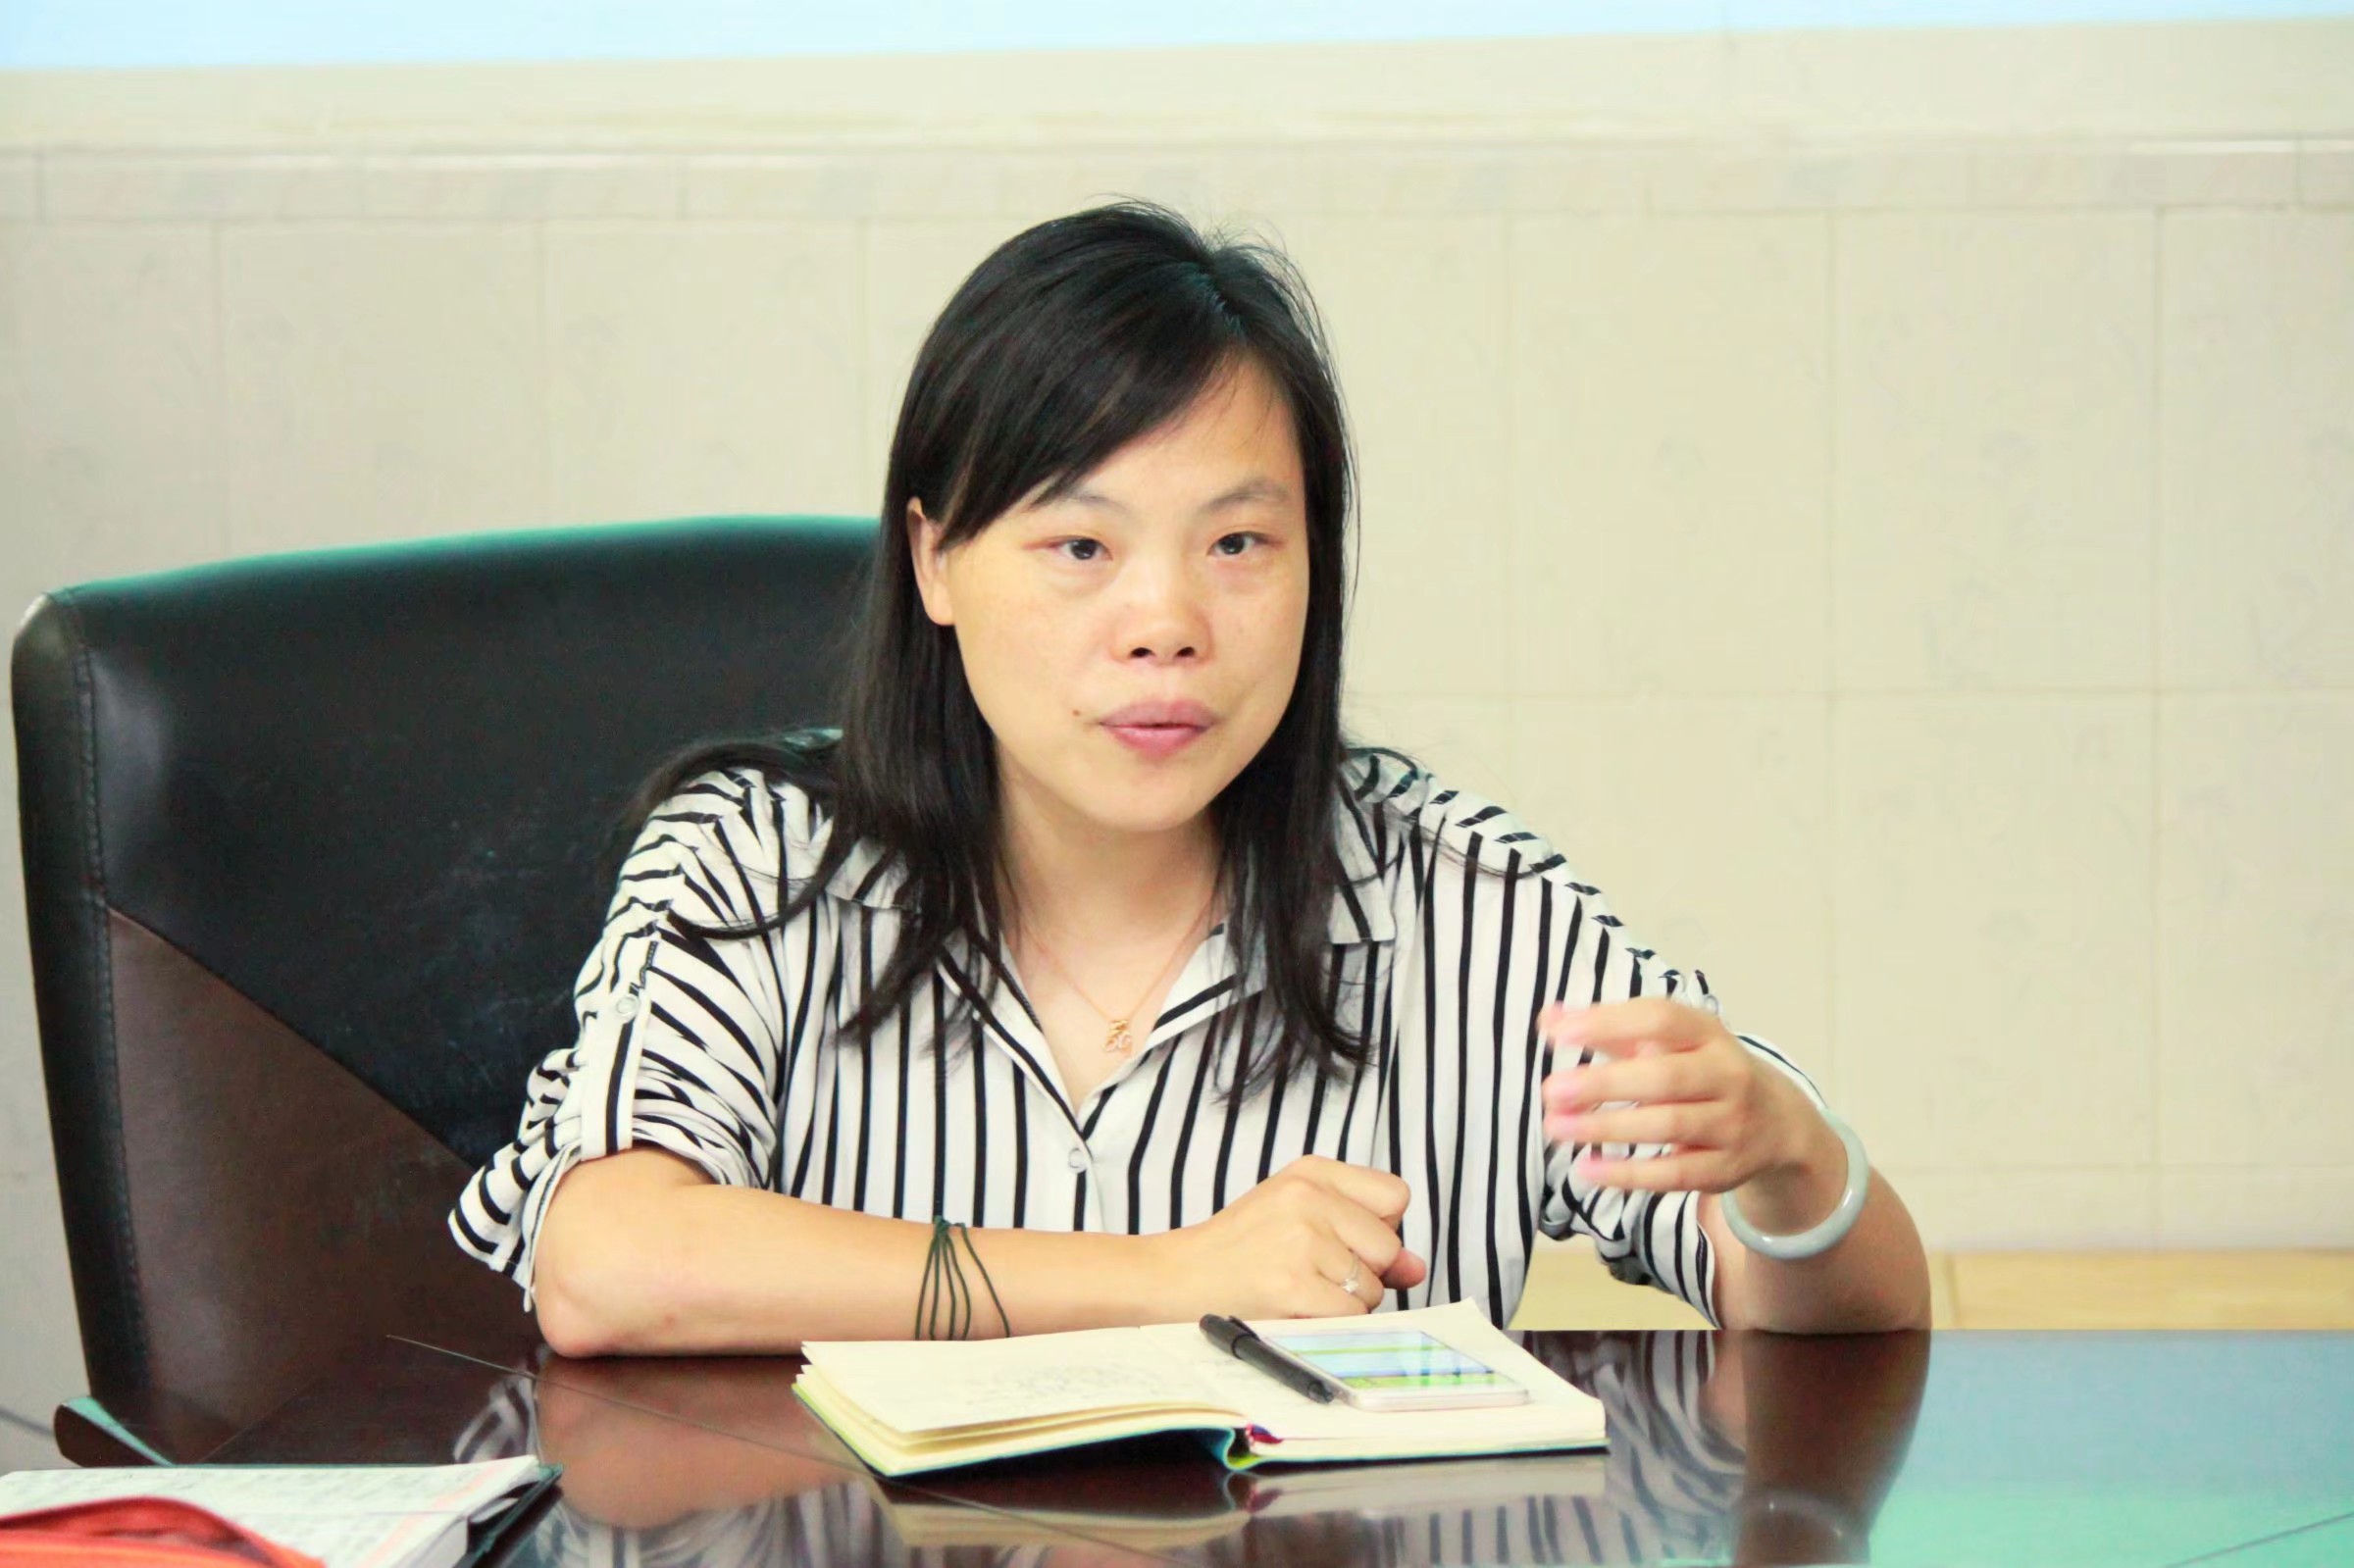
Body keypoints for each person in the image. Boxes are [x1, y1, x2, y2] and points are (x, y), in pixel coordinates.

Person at [448, 200, 1930, 1355]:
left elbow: (1847, 1319)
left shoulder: (1469, 909)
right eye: (1081, 545)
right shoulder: (754, 866)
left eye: (1237, 543)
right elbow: (607, 1264)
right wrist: (1163, 1280)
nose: (1166, 622)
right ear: (935, 561)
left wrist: (1792, 1164)